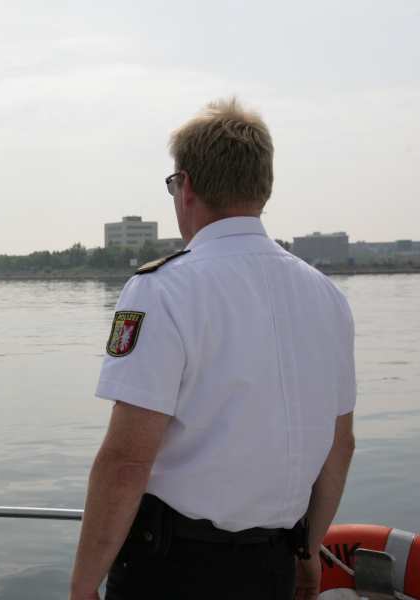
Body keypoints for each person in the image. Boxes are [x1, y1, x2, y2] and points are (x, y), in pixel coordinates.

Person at [69, 98, 356, 600]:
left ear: (186, 187)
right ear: (263, 188)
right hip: (272, 568)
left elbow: (127, 461)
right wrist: (308, 554)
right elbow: (340, 446)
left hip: (173, 572)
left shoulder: (162, 290)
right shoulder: (327, 297)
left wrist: (82, 586)